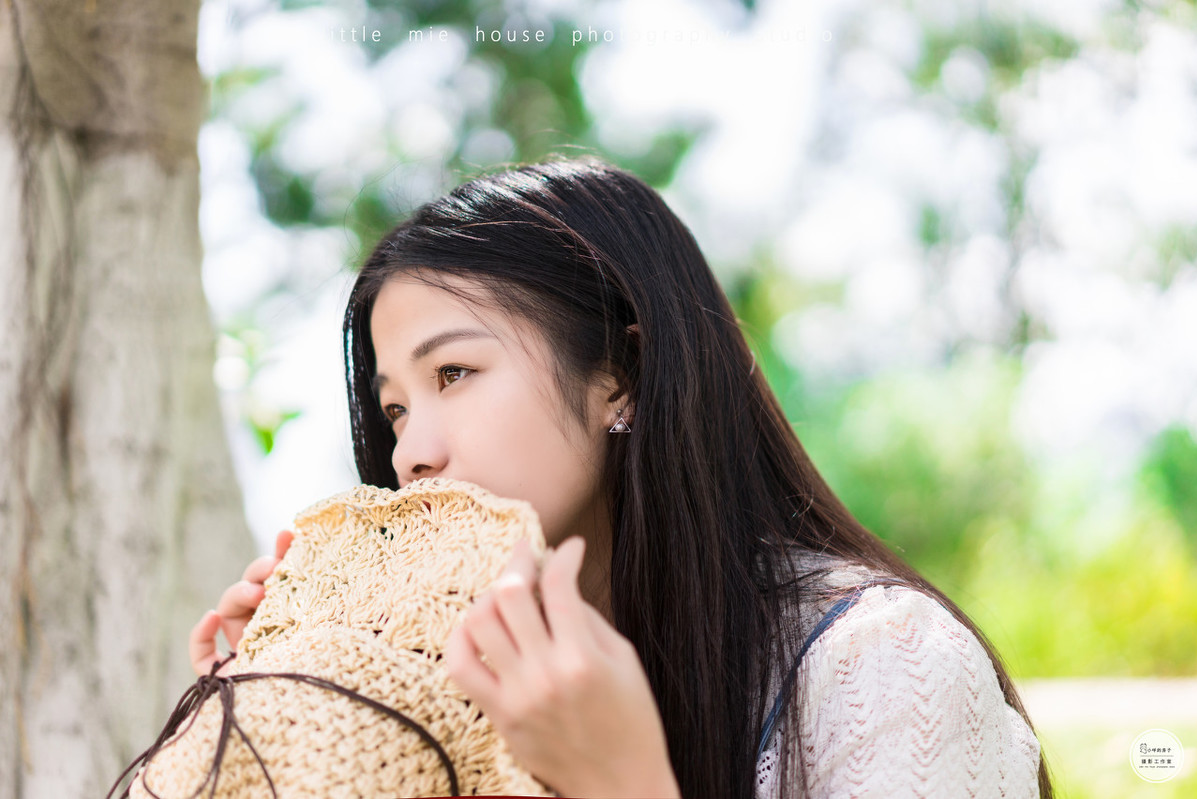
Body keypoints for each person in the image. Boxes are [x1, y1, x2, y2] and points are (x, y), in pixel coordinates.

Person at [188, 156, 1054, 798]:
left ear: (622, 377)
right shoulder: (465, 690)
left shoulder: (880, 661)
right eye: (397, 409)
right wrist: (289, 711)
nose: (412, 453)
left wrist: (624, 781)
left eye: (453, 373)